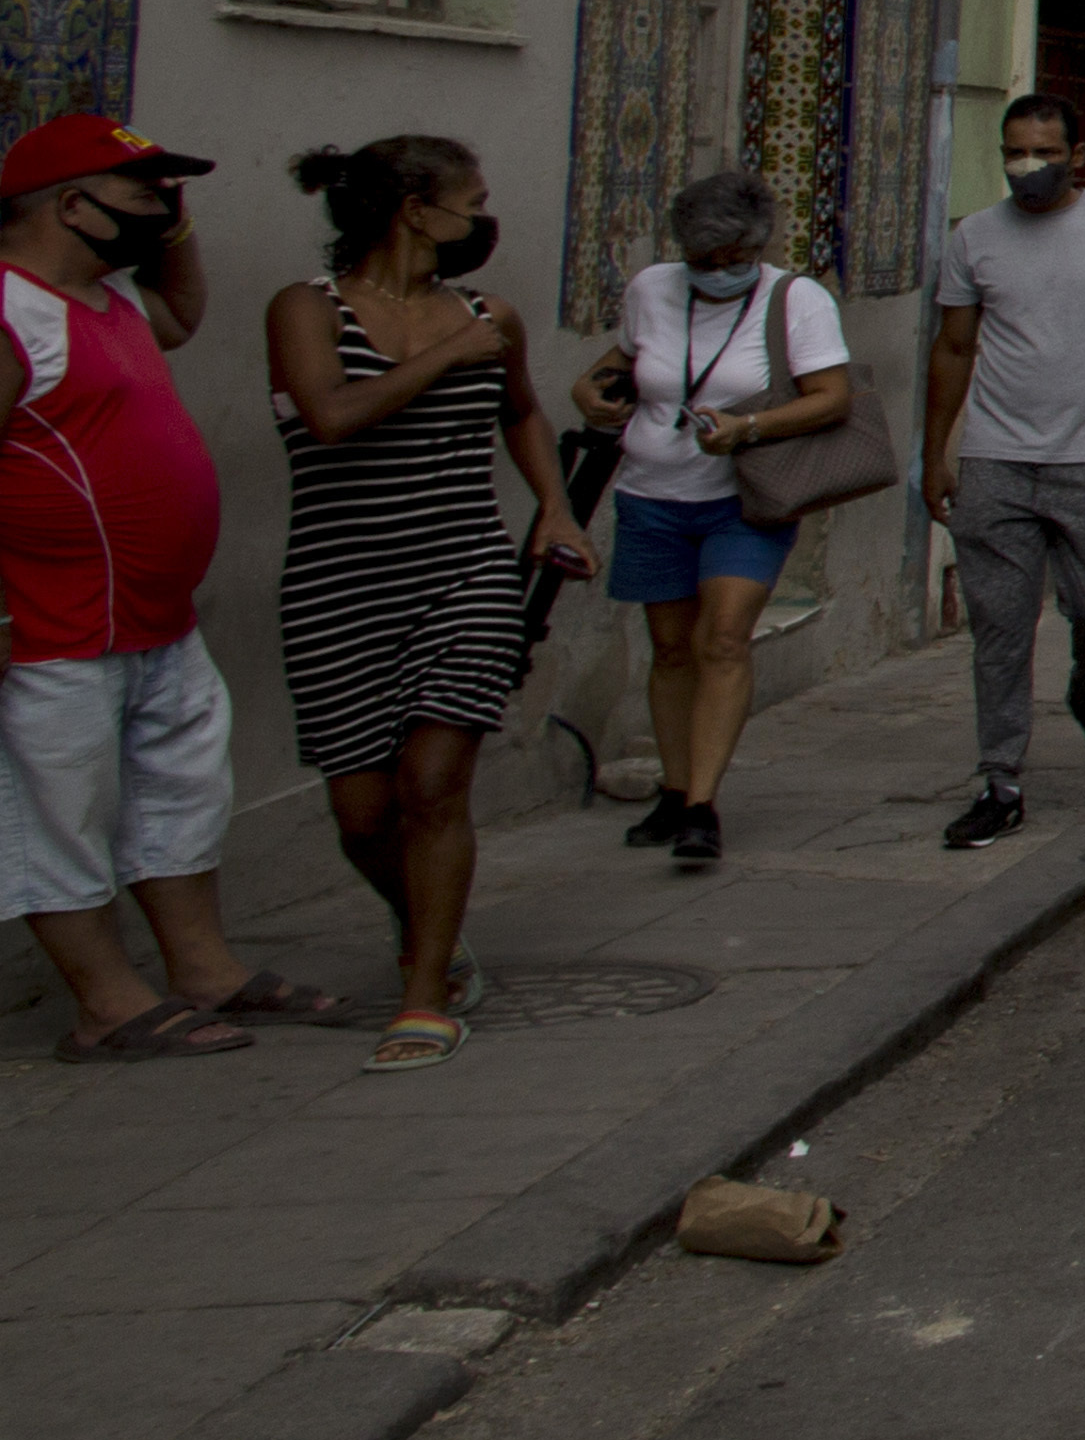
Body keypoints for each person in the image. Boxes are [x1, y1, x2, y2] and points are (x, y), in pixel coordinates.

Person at [263, 138, 592, 1065]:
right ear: (415, 206)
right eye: (472, 200)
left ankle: (423, 992)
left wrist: (553, 511)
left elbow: (519, 410)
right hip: (337, 588)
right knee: (363, 817)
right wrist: (454, 352)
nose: (483, 219)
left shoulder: (489, 316)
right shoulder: (307, 309)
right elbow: (330, 417)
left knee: (435, 785)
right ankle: (429, 926)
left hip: (464, 575)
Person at [9, 116, 325, 1061]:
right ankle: (106, 1004)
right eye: (150, 195)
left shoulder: (108, 303)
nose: (166, 212)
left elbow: (180, 315)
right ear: (73, 205)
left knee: (179, 797)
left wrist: (174, 236)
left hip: (154, 623)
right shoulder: (9, 308)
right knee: (56, 816)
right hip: (50, 630)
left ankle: (203, 968)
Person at [919, 97, 1085, 852]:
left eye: (1041, 151)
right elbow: (953, 348)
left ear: (1077, 153)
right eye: (1013, 152)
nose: (1026, 167)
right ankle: (1000, 781)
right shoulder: (975, 238)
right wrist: (938, 449)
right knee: (999, 628)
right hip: (996, 460)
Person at [581, 167, 859, 876]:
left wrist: (750, 427)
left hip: (746, 497)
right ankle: (674, 791)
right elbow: (622, 363)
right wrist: (589, 390)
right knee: (670, 647)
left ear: (756, 247)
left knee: (725, 637)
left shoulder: (796, 301)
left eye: (735, 258)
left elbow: (831, 398)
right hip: (651, 493)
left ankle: (703, 807)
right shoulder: (651, 290)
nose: (720, 273)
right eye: (705, 261)